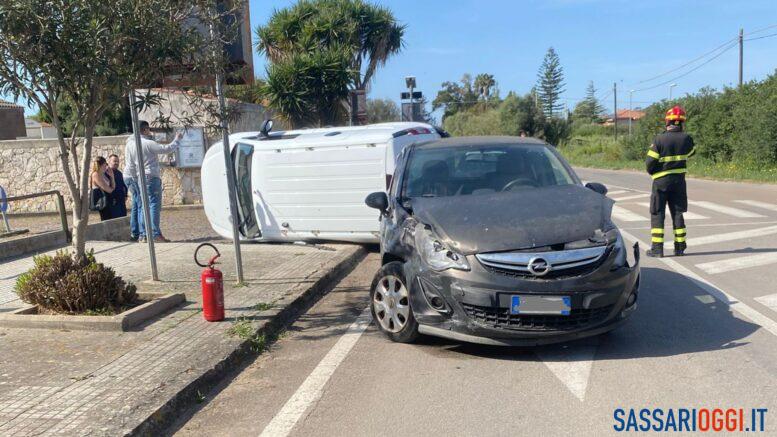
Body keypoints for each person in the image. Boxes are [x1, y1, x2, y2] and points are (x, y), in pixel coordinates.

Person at [645, 105, 695, 258]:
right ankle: (679, 248)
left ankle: (657, 249)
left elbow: (649, 163)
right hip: (679, 182)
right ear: (682, 122)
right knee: (678, 213)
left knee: (657, 213)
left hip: (660, 183)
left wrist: (654, 172)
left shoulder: (659, 139)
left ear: (667, 121)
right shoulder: (687, 139)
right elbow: (692, 152)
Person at [124, 121, 182, 243]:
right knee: (154, 206)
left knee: (144, 206)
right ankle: (155, 234)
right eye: (148, 130)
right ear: (145, 130)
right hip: (151, 176)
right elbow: (167, 149)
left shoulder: (131, 144)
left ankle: (143, 234)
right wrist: (177, 139)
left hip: (140, 177)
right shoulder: (148, 143)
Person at [90, 156, 116, 222]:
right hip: (102, 201)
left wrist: (112, 176)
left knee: (110, 219)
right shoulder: (95, 174)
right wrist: (111, 188)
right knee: (106, 220)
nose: (106, 167)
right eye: (105, 165)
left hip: (107, 200)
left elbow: (113, 187)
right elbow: (109, 190)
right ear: (100, 165)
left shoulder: (103, 174)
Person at [106, 154, 128, 220]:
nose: (116, 163)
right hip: (112, 203)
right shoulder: (106, 173)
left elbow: (123, 185)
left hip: (121, 202)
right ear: (109, 162)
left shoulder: (119, 173)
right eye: (114, 161)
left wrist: (125, 195)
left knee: (122, 221)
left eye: (118, 161)